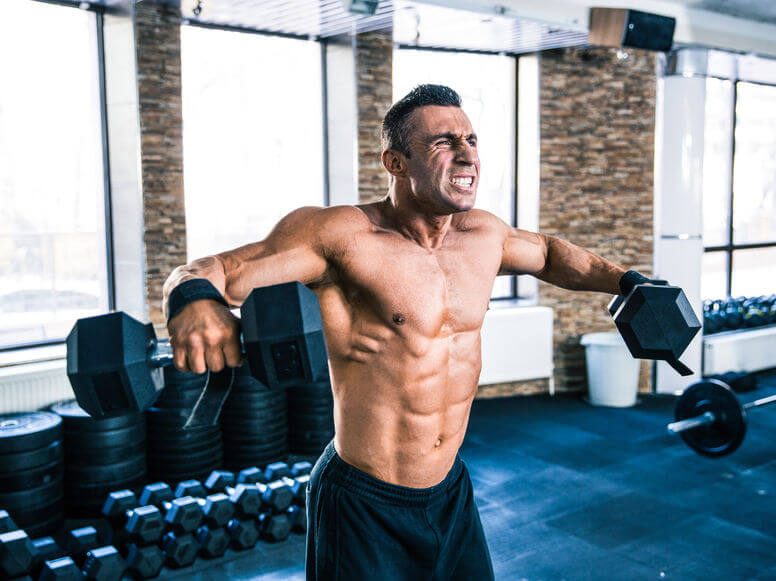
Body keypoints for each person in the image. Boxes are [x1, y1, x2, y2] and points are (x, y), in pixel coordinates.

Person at [162, 84, 650, 580]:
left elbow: (547, 253)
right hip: (364, 501)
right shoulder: (342, 237)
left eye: (472, 140)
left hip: (449, 491)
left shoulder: (483, 236)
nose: (466, 155)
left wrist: (629, 281)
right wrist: (194, 299)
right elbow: (217, 269)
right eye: (443, 142)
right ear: (395, 162)